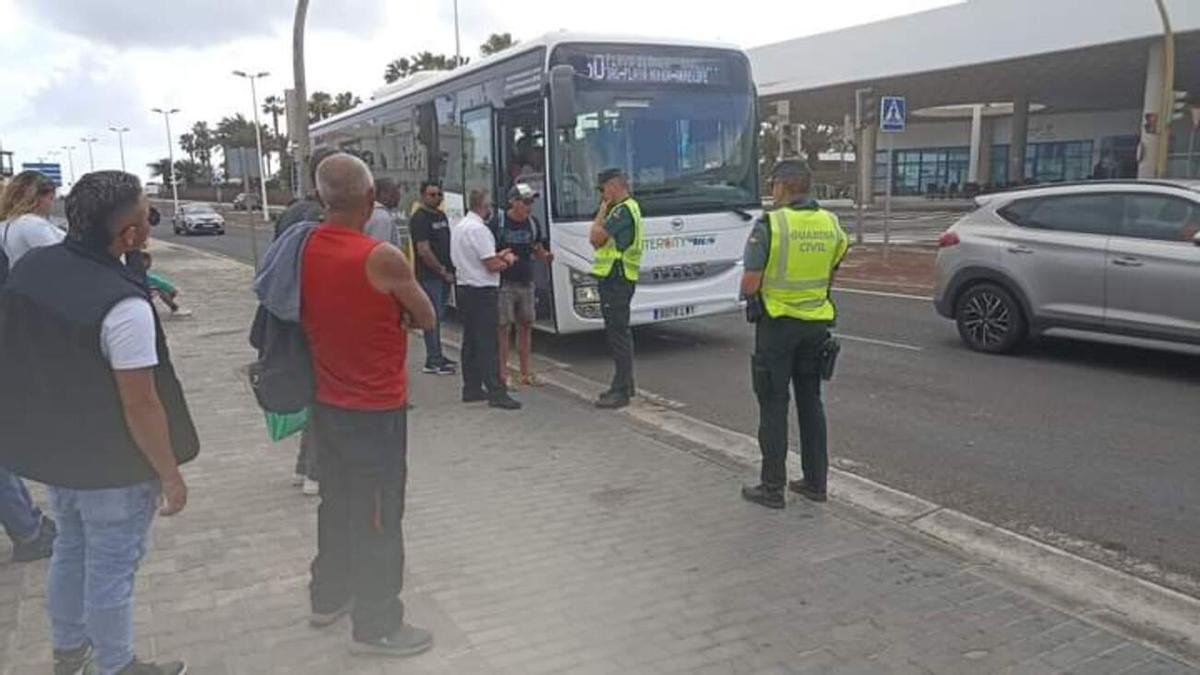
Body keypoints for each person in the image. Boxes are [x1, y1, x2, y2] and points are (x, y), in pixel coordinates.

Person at [0, 171, 199, 675]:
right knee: (111, 568)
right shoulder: (123, 305)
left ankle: (70, 652)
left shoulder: (34, 268)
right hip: (113, 464)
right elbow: (141, 404)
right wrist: (170, 473)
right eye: (145, 215)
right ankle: (116, 664)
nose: (151, 224)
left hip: (58, 452)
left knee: (70, 549)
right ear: (128, 234)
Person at [300, 153, 438, 657]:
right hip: (374, 410)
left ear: (321, 198)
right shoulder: (380, 256)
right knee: (378, 514)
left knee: (335, 504)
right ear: (369, 199)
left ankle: (328, 596)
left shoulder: (306, 246)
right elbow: (425, 316)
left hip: (326, 402)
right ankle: (376, 625)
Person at [740, 160, 849, 510]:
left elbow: (750, 283)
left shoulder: (771, 224)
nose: (772, 193)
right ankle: (816, 482)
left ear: (785, 187)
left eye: (773, 186)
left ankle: (772, 488)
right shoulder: (831, 223)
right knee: (811, 402)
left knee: (773, 404)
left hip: (777, 326)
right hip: (816, 325)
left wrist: (753, 295)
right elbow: (835, 263)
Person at [0, 170, 62, 563]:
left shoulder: (7, 228)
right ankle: (28, 528)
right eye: (51, 195)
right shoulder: (30, 227)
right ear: (39, 196)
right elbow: (64, 267)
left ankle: (30, 523)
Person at [274, 147, 336, 496]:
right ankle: (316, 471)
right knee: (325, 396)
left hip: (288, 315)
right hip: (315, 317)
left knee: (313, 394)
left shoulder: (292, 211)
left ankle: (302, 467)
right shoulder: (322, 216)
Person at [450, 189, 522, 410]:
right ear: (482, 205)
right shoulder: (479, 230)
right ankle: (496, 391)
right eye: (489, 204)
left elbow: (473, 258)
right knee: (488, 342)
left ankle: (471, 387)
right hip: (482, 290)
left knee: (470, 341)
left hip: (464, 287)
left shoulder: (460, 227)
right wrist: (507, 260)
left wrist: (496, 257)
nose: (491, 209)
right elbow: (490, 265)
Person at [589, 168, 644, 410]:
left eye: (603, 189)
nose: (602, 194)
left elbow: (596, 238)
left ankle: (621, 390)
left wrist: (602, 210)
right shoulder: (628, 208)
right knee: (619, 333)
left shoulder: (622, 210)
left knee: (618, 334)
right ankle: (624, 384)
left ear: (613, 185)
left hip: (616, 277)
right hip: (619, 276)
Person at [490, 183, 552, 389]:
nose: (529, 206)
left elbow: (537, 248)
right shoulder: (499, 223)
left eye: (531, 202)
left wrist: (545, 256)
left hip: (526, 282)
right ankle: (503, 374)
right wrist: (501, 257)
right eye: (525, 202)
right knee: (503, 328)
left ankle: (525, 373)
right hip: (504, 283)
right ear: (513, 202)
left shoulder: (533, 224)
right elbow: (487, 251)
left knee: (525, 326)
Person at [409, 181, 457, 376]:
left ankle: (438, 354)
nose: (436, 198)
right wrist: (441, 270)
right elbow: (424, 250)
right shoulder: (419, 218)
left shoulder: (440, 215)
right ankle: (433, 360)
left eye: (439, 195)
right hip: (430, 276)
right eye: (432, 195)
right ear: (422, 196)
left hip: (444, 275)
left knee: (441, 316)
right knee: (432, 317)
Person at [364, 177, 407, 250]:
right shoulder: (381, 218)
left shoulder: (369, 212)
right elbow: (380, 251)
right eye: (395, 191)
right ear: (383, 193)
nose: (399, 196)